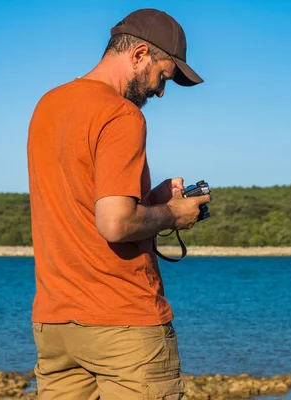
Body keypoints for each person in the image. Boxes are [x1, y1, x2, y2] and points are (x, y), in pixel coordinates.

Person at [26, 8, 211, 400]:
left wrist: (151, 201)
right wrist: (173, 214)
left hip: (55, 326)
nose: (161, 92)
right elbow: (114, 223)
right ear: (140, 54)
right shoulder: (122, 114)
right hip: (124, 323)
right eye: (164, 76)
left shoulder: (47, 106)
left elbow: (81, 202)